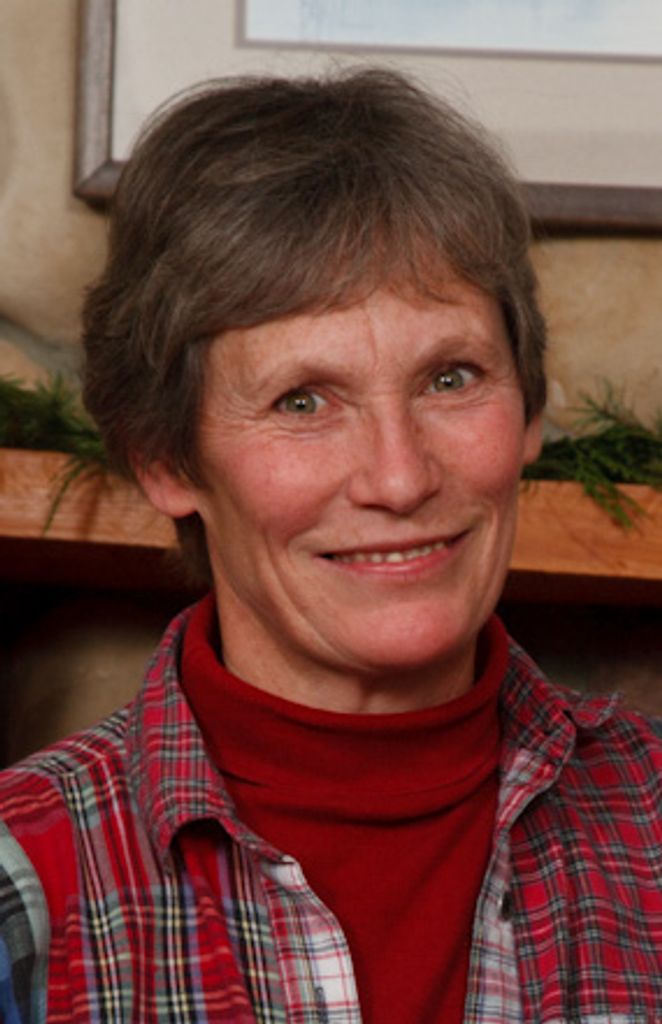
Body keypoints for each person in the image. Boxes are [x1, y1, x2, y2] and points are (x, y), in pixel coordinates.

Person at [0, 67, 660, 1023]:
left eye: (451, 378)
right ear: (165, 459)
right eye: (302, 401)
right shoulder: (23, 883)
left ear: (527, 413)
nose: (399, 477)